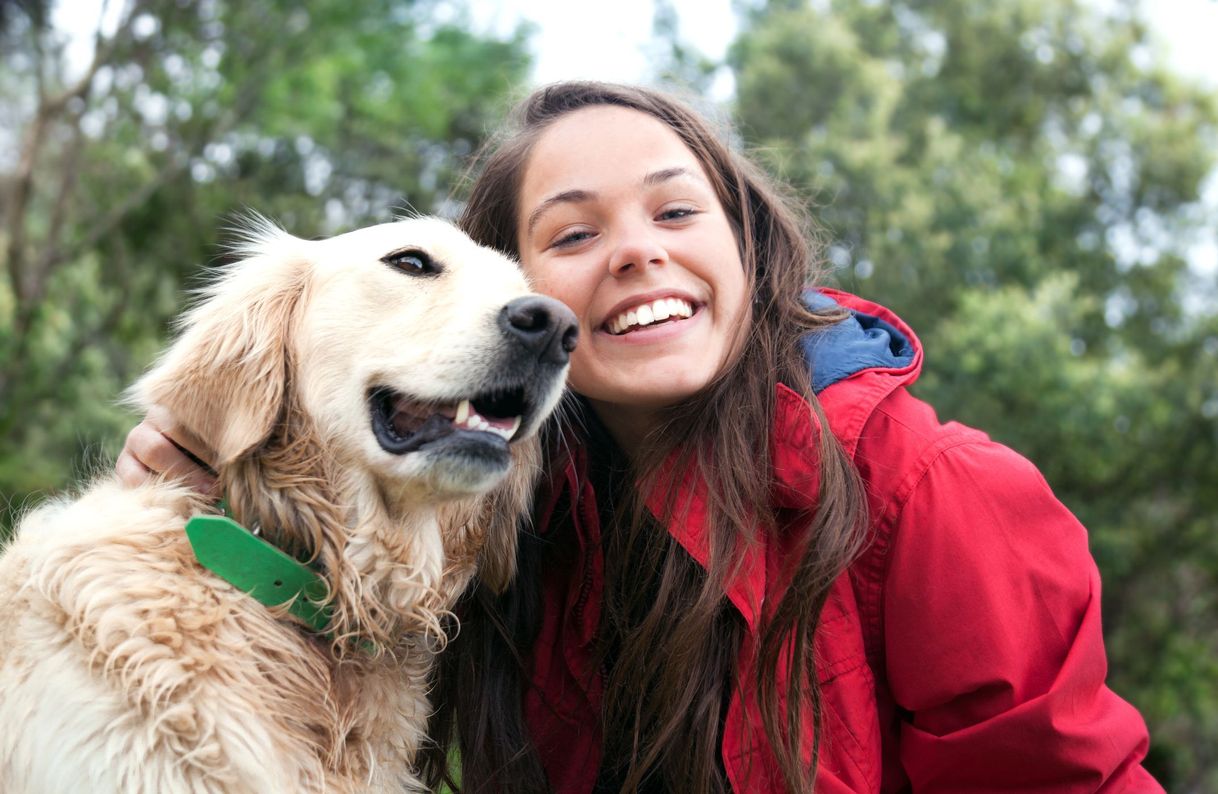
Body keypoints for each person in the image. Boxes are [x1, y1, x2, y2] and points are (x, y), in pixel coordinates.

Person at [119, 82, 1163, 793]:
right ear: (514, 307)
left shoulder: (934, 489)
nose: (635, 253)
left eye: (677, 212)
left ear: (746, 248)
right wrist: (200, 503)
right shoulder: (493, 529)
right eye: (573, 234)